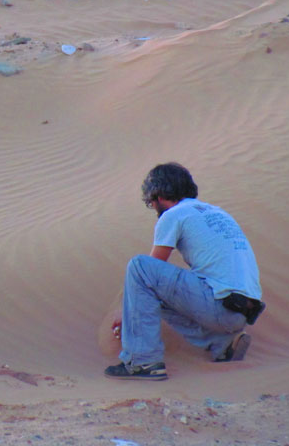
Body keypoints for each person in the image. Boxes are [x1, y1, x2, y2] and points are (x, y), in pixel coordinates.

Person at [105, 163, 264, 381]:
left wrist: (123, 310)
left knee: (139, 267)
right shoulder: (217, 213)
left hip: (218, 305)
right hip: (242, 311)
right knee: (155, 294)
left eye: (151, 202)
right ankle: (223, 344)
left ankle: (142, 362)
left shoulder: (174, 215)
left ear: (159, 195)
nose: (152, 206)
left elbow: (149, 269)